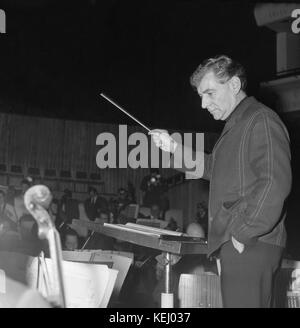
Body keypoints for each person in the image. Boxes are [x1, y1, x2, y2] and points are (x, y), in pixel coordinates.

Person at [150, 55, 292, 308]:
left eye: (210, 93)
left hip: (250, 243)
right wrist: (173, 147)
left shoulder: (260, 119)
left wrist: (241, 234)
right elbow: (215, 168)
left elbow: (274, 182)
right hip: (243, 244)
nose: (204, 104)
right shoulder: (238, 124)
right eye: (201, 96)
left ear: (234, 85)